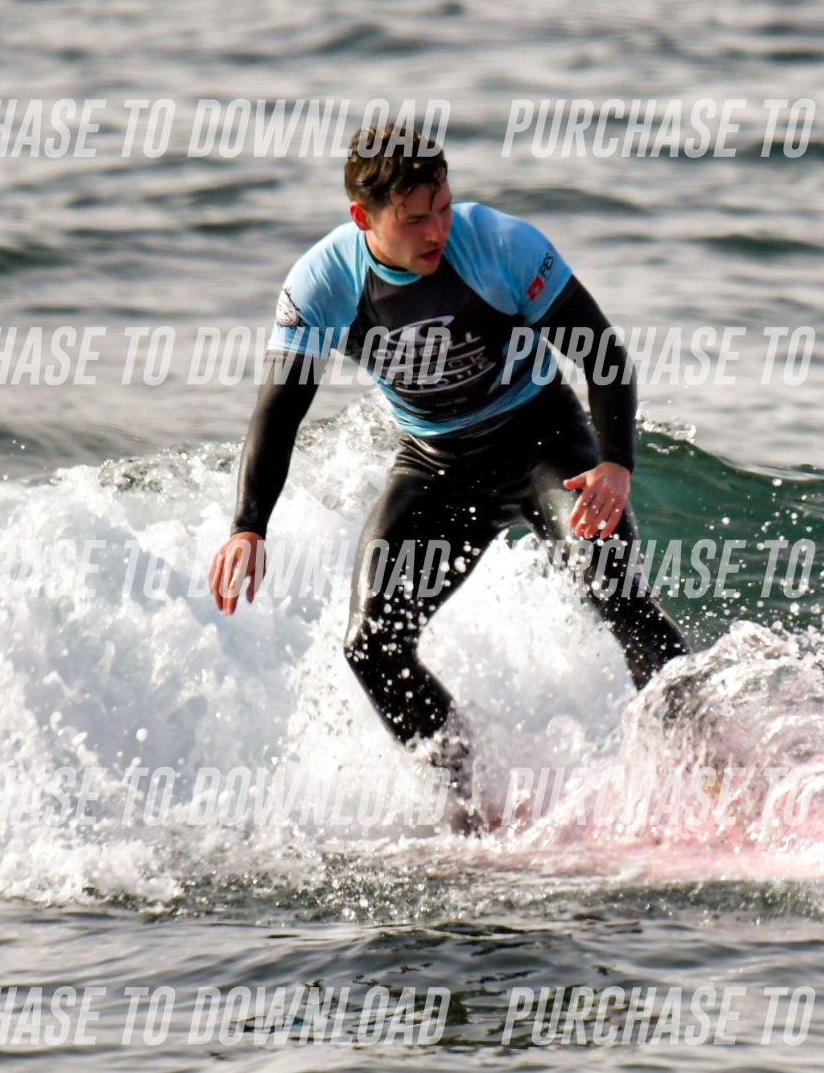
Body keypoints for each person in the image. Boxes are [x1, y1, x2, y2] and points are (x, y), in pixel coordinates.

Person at [207, 126, 687, 829]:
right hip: (437, 464)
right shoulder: (323, 282)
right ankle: (472, 803)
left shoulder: (498, 244)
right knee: (371, 644)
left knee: (615, 589)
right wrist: (248, 525)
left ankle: (706, 766)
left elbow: (604, 355)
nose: (437, 230)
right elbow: (279, 409)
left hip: (541, 439)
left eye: (443, 207)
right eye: (414, 219)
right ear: (363, 217)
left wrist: (615, 462)